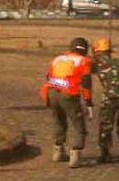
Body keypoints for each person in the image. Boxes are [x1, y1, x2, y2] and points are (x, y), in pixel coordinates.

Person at [40, 37, 94, 168]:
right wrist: (88, 102)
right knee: (78, 124)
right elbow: (86, 83)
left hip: (52, 92)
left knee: (59, 120)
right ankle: (75, 154)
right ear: (85, 49)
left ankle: (58, 151)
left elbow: (49, 76)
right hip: (69, 94)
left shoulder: (58, 59)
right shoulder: (84, 61)